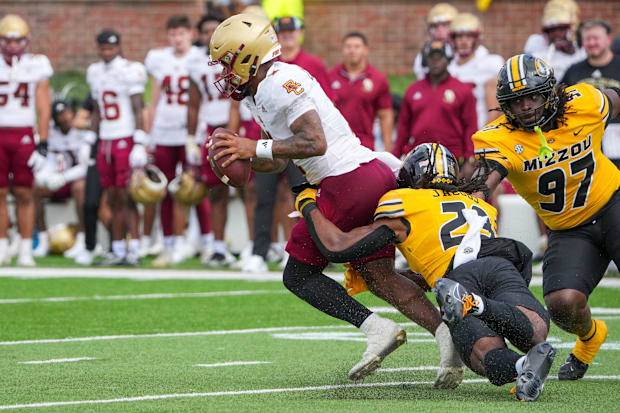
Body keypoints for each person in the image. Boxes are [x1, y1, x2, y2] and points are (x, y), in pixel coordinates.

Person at [208, 14, 462, 385]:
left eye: (228, 63)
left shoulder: (281, 82)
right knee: (380, 278)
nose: (226, 74)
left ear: (248, 58)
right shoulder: (262, 90)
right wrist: (243, 159)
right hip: (358, 175)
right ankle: (446, 337)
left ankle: (376, 329)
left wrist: (252, 145)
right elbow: (281, 157)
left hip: (345, 179)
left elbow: (315, 142)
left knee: (298, 273)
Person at [294, 142, 556, 402]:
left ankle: (474, 305)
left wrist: (306, 201)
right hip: (500, 266)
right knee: (535, 332)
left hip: (459, 280)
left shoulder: (404, 201)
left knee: (482, 356)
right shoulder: (476, 200)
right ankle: (524, 366)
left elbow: (338, 248)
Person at [472, 54, 620, 380]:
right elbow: (484, 181)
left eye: (533, 96)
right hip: (568, 230)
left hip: (613, 204)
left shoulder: (584, 102)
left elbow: (615, 100)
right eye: (516, 101)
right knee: (563, 304)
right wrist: (475, 198)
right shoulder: (499, 138)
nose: (525, 107)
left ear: (551, 92)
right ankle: (590, 338)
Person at [144, 15, 204, 266]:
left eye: (181, 33)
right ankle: (168, 243)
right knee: (166, 189)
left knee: (195, 187)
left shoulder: (200, 58)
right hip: (165, 131)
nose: (177, 38)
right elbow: (153, 99)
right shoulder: (159, 59)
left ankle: (205, 241)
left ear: (190, 33)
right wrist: (147, 136)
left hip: (191, 133)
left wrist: (199, 135)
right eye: (173, 34)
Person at [86, 29, 148, 265]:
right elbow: (97, 111)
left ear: (119, 47)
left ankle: (135, 248)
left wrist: (140, 141)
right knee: (112, 196)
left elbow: (137, 108)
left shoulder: (130, 70)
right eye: (103, 48)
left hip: (124, 138)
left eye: (111, 48)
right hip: (106, 140)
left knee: (127, 195)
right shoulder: (94, 72)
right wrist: (89, 140)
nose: (107, 52)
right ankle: (118, 247)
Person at [187, 13, 239, 267]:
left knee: (250, 189)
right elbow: (194, 105)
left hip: (239, 128)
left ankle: (257, 247)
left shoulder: (238, 58)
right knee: (217, 191)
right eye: (205, 31)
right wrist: (190, 138)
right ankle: (218, 247)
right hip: (210, 130)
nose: (210, 35)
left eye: (214, 30)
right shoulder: (197, 65)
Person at [0, 14, 52, 266]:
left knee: (24, 192)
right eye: (7, 41)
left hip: (22, 134)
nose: (11, 47)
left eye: (17, 41)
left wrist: (43, 143)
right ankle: (1, 246)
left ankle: (24, 248)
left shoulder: (36, 64)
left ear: (27, 41)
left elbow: (43, 107)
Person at [393, 40, 478, 178]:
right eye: (431, 58)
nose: (435, 62)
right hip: (419, 159)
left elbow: (471, 127)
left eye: (440, 58)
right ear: (425, 61)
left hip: (452, 158)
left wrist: (470, 159)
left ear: (448, 60)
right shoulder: (413, 90)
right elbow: (403, 128)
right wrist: (395, 157)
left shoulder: (463, 90)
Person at [33, 100, 88, 259]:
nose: (65, 118)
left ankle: (83, 238)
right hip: (55, 179)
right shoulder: (48, 132)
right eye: (60, 115)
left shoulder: (83, 133)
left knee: (80, 188)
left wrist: (64, 177)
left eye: (68, 113)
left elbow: (85, 166)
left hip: (74, 179)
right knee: (34, 187)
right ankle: (42, 239)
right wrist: (46, 174)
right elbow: (47, 158)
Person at [562, 20, 620, 169]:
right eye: (587, 39)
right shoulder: (573, 71)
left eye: (596, 38)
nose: (591, 43)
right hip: (586, 144)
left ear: (608, 39)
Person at [329, 32, 393, 151]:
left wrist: (387, 149)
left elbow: (385, 115)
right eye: (348, 46)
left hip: (365, 145)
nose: (352, 50)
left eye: (357, 47)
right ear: (342, 49)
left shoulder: (378, 79)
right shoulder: (330, 77)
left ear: (366, 50)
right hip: (335, 144)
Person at [448, 13, 503, 130]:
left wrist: (484, 134)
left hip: (481, 130)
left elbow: (498, 108)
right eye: (459, 36)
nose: (463, 41)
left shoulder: (491, 63)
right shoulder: (449, 68)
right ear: (453, 39)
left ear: (476, 39)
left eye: (468, 36)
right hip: (454, 133)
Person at [523, 0, 585, 83]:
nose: (556, 34)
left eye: (561, 29)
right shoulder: (537, 43)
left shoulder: (582, 47)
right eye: (551, 30)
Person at [413, 2, 458, 80]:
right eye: (435, 26)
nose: (439, 30)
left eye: (445, 25)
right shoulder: (425, 52)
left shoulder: (463, 51)